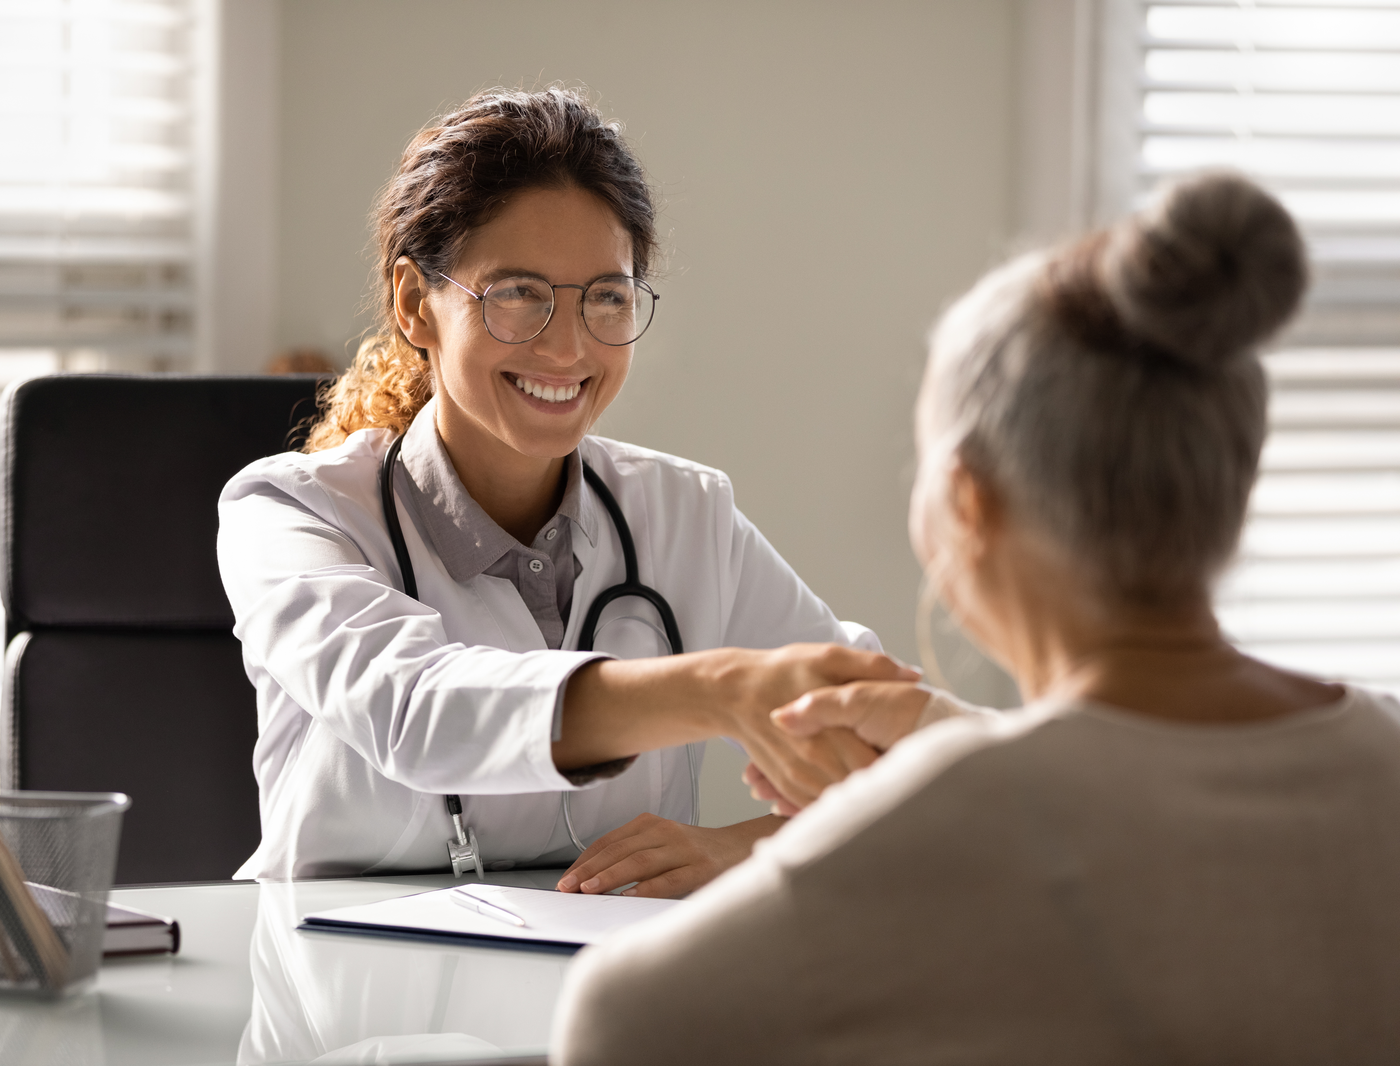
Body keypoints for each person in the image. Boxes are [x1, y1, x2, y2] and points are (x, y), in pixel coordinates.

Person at [552, 172, 1400, 1064]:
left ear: (966, 503)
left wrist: (936, 777)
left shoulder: (937, 825)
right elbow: (1168, 808)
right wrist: (949, 734)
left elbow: (615, 1021)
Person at [216, 86, 928, 893]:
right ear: (416, 304)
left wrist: (754, 848)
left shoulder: (684, 515)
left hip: (606, 992)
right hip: (343, 1000)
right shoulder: (292, 512)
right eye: (517, 294)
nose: (566, 346)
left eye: (605, 298)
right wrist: (718, 691)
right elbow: (413, 709)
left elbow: (909, 751)